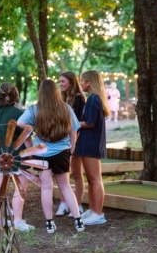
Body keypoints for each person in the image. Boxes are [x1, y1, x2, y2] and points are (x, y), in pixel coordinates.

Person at [17, 79, 85, 234]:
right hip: (63, 151)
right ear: (56, 91)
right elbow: (74, 130)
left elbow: (19, 123)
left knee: (46, 187)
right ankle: (78, 221)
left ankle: (49, 223)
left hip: (42, 153)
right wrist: (72, 148)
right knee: (65, 186)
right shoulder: (65, 108)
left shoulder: (35, 110)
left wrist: (32, 129)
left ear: (40, 92)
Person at [0, 82, 34, 232]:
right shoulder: (19, 114)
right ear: (15, 94)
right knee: (20, 188)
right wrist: (32, 153)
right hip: (16, 156)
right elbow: (26, 138)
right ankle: (18, 221)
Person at [74, 71, 110, 225]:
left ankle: (98, 212)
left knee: (95, 179)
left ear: (89, 82)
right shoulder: (93, 99)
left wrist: (72, 123)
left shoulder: (93, 99)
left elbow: (90, 122)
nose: (80, 83)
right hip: (88, 142)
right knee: (91, 179)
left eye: (82, 80)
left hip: (92, 143)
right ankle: (93, 209)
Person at [55, 71, 86, 217]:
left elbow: (77, 124)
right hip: (63, 141)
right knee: (63, 174)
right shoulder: (63, 99)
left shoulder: (79, 99)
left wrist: (74, 145)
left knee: (76, 173)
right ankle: (64, 203)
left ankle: (78, 204)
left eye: (63, 82)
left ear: (71, 82)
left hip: (76, 141)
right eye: (59, 82)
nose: (60, 84)